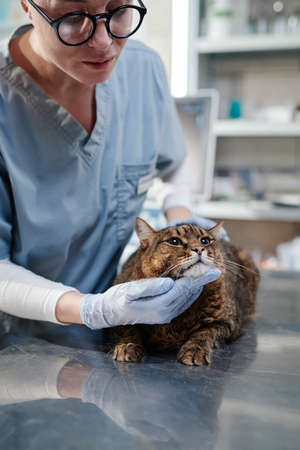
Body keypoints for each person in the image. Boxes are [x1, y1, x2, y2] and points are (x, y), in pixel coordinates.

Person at [0, 0, 221, 334]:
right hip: (20, 348)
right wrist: (94, 309)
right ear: (28, 7)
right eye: (73, 17)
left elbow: (172, 165)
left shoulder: (143, 69)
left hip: (109, 343)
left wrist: (183, 222)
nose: (103, 42)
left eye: (118, 11)